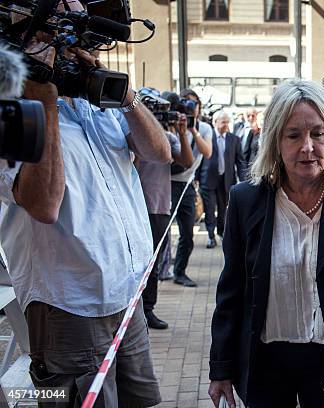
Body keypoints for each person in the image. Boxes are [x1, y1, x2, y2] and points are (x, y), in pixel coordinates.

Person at [0, 2, 170, 405]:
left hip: (126, 299)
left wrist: (123, 95)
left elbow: (159, 152)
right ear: (29, 28)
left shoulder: (93, 96)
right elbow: (44, 203)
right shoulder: (12, 104)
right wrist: (43, 94)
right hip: (70, 308)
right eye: (62, 26)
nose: (74, 39)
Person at [208, 80, 324, 408]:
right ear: (275, 139)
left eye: (318, 133)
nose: (308, 147)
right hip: (266, 360)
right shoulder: (246, 200)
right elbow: (231, 289)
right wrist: (221, 367)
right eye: (294, 135)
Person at [136, 89, 195, 329]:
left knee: (152, 262)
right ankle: (135, 310)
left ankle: (147, 309)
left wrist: (181, 133)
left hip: (159, 205)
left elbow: (187, 161)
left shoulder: (167, 138)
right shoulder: (131, 133)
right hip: (136, 205)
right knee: (137, 262)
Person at [169, 89, 213, 287]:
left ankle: (180, 272)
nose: (189, 107)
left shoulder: (204, 128)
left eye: (193, 104)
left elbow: (207, 152)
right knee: (162, 231)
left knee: (187, 232)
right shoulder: (172, 124)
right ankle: (162, 268)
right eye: (185, 102)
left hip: (186, 185)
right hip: (166, 183)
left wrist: (193, 129)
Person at [198, 110, 247, 249]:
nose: (226, 125)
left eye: (228, 122)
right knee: (209, 209)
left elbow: (240, 161)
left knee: (223, 209)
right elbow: (199, 158)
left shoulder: (234, 139)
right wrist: (196, 178)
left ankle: (221, 232)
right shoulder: (207, 137)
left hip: (226, 180)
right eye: (223, 122)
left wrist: (243, 180)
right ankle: (210, 236)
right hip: (207, 179)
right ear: (215, 122)